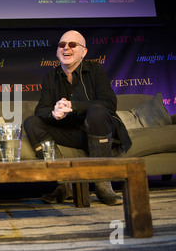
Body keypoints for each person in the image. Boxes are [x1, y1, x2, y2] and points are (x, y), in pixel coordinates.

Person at [24, 30, 132, 205]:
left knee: (97, 111)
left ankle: (102, 184)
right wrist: (53, 112)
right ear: (57, 51)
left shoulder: (96, 70)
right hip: (71, 134)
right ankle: (65, 182)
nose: (66, 48)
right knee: (31, 122)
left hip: (98, 130)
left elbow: (109, 104)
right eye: (62, 45)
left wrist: (74, 107)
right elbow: (40, 110)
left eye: (72, 45)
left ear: (84, 51)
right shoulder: (50, 77)